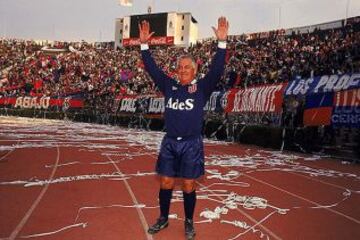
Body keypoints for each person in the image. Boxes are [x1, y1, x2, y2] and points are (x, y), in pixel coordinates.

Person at [139, 17, 229, 240]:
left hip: (191, 144)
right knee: (167, 181)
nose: (182, 70)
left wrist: (222, 43)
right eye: (179, 67)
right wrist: (143, 46)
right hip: (170, 141)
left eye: (187, 67)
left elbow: (217, 69)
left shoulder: (202, 87)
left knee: (189, 185)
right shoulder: (169, 84)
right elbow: (152, 69)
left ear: (195, 69)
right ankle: (163, 217)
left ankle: (188, 221)